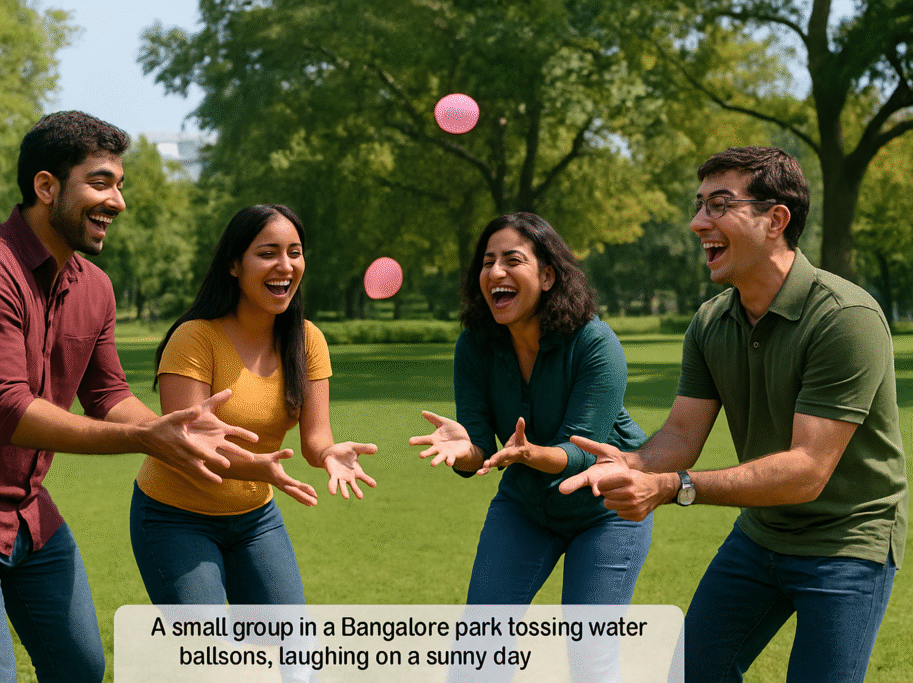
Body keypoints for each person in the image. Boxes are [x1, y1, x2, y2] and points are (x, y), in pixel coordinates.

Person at [0, 111, 263, 683]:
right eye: (100, 183)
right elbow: (4, 410)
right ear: (46, 187)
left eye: (119, 184)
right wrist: (144, 439)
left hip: (27, 513)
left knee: (81, 669)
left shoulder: (94, 286)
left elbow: (108, 392)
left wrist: (181, 431)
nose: (117, 201)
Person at [560, 146, 907, 682]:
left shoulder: (845, 319)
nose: (698, 223)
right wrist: (632, 464)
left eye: (719, 205)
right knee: (694, 669)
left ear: (776, 219)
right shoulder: (711, 322)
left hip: (847, 540)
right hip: (763, 534)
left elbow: (808, 471)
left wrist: (675, 487)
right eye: (699, 205)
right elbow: (679, 435)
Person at [130, 203, 377, 607]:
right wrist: (259, 466)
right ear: (233, 264)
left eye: (294, 253)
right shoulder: (195, 338)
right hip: (175, 517)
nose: (285, 265)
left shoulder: (307, 340)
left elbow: (316, 438)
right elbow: (188, 446)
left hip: (254, 519)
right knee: (209, 657)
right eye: (267, 253)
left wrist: (330, 452)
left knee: (294, 652)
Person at [409, 212, 652, 607]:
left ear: (547, 277)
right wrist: (463, 451)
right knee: (478, 651)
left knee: (590, 654)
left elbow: (582, 453)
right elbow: (480, 452)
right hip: (526, 506)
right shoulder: (475, 345)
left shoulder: (594, 343)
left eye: (513, 260)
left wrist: (527, 454)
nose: (495, 272)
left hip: (606, 508)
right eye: (487, 263)